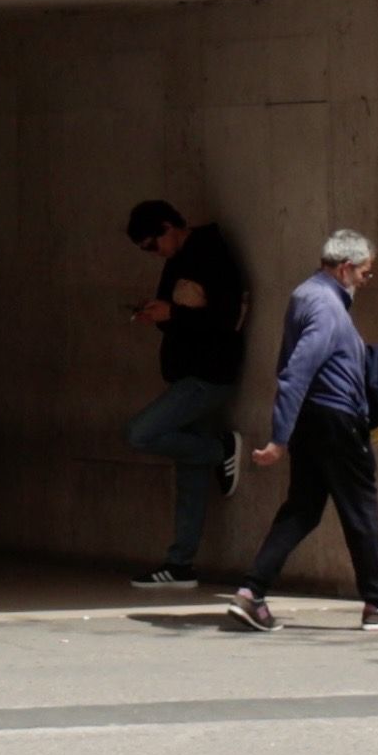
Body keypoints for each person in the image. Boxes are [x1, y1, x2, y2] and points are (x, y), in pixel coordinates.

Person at [228, 228, 378, 631]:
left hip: (314, 422)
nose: (366, 282)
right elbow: (296, 371)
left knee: (302, 510)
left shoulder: (307, 295)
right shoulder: (327, 308)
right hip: (335, 422)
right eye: (365, 274)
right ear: (346, 269)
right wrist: (278, 439)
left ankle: (251, 593)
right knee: (361, 513)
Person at [116, 199, 255, 591]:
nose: (153, 253)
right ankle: (180, 565)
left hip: (208, 374)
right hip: (186, 373)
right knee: (189, 474)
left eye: (151, 244)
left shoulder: (213, 252)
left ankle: (221, 449)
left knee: (140, 433)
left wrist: (173, 316)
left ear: (167, 226)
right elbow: (176, 320)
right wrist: (158, 315)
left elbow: (227, 318)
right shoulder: (176, 260)